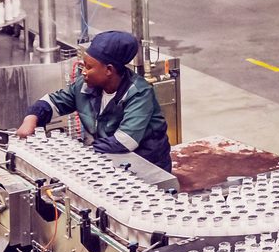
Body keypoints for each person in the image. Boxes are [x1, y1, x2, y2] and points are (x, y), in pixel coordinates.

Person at [16, 30, 172, 173]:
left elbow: (125, 142)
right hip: (111, 161)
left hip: (147, 165)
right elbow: (53, 102)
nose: (83, 72)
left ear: (109, 70)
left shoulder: (139, 93)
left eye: (89, 67)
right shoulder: (85, 85)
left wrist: (77, 154)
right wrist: (31, 119)